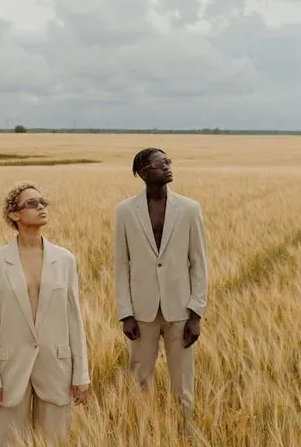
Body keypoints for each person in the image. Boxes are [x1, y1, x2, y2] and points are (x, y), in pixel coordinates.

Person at [0, 181, 90, 446]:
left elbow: (74, 320)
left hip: (57, 367)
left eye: (43, 202)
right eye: (32, 203)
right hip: (10, 370)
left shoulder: (65, 259)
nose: (41, 207)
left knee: (55, 441)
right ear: (14, 215)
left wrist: (81, 373)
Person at [113, 147, 208, 432]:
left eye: (168, 161)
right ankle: (140, 430)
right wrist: (125, 313)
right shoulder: (125, 211)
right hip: (142, 311)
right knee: (139, 377)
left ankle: (186, 431)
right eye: (160, 163)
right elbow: (121, 265)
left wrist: (196, 312)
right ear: (143, 172)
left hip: (180, 310)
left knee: (183, 381)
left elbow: (198, 263)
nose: (168, 166)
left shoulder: (190, 209)